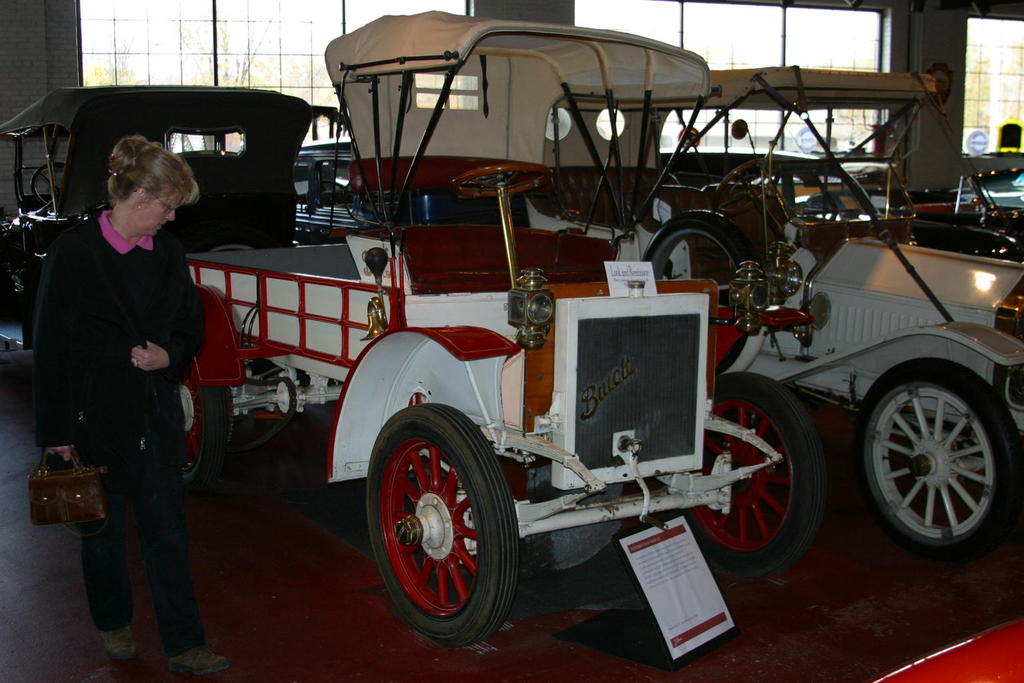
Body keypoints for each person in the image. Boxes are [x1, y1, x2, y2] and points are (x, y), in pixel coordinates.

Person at [33, 134, 228, 675]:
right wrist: (55, 433)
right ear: (139, 197)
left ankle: (185, 644)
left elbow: (189, 323)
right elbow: (50, 346)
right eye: (167, 206)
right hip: (92, 418)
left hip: (153, 415)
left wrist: (170, 355)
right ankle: (114, 623)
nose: (171, 217)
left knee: (168, 534)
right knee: (101, 535)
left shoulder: (166, 252)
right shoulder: (74, 253)